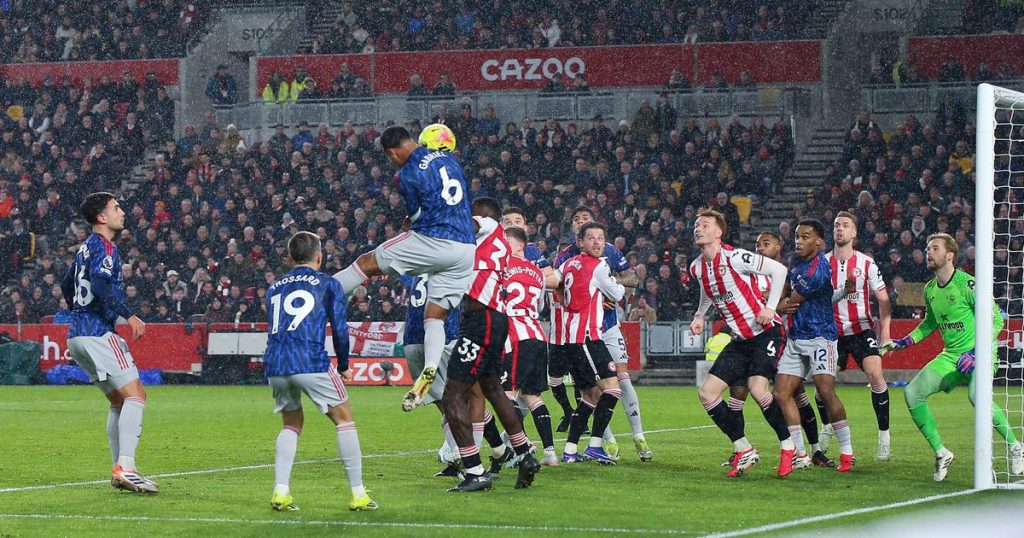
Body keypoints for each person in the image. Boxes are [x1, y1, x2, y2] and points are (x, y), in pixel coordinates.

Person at [332, 126, 475, 411]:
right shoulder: (449, 159)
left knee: (367, 263)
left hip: (435, 240)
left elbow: (417, 217)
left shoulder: (406, 174)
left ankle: (316, 292)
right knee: (435, 317)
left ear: (392, 152)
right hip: (465, 249)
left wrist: (409, 222)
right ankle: (431, 367)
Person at [882, 234, 1024, 481]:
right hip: (952, 356)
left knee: (976, 396)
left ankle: (1015, 446)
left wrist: (976, 352)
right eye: (927, 248)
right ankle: (942, 453)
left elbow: (996, 320)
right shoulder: (929, 289)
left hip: (981, 352)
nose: (929, 252)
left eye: (934, 248)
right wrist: (903, 342)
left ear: (949, 255)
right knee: (912, 392)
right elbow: (929, 324)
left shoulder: (967, 284)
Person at [264, 231, 377, 512]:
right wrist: (344, 365)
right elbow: (339, 328)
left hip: (276, 362)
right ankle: (358, 493)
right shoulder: (327, 283)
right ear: (319, 255)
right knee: (344, 419)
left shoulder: (274, 287)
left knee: (291, 424)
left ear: (290, 258)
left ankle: (280, 490)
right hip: (310, 359)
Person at [441, 197, 541, 492]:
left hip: (480, 320)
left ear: (484, 214)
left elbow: (462, 225)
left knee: (452, 395)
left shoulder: (486, 224)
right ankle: (525, 454)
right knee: (493, 389)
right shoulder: (496, 245)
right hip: (496, 319)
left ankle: (474, 471)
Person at [60, 192, 155, 493]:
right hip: (98, 333)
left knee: (118, 401)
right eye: (116, 208)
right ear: (102, 217)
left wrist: (79, 312)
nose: (122, 212)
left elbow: (66, 283)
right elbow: (100, 284)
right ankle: (126, 466)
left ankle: (119, 469)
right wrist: (129, 315)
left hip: (77, 334)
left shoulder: (85, 247)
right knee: (136, 395)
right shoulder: (104, 246)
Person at [689, 208, 793, 478]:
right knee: (707, 393)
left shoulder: (735, 257)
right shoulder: (697, 267)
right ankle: (744, 448)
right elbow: (707, 291)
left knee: (757, 389)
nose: (698, 228)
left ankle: (788, 446)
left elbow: (779, 270)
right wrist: (700, 315)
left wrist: (770, 307)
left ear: (719, 232)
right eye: (697, 225)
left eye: (705, 225)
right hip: (740, 340)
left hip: (767, 332)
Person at [722, 232, 831, 469]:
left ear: (779, 246)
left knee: (795, 395)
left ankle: (814, 450)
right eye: (757, 244)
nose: (760, 248)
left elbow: (791, 302)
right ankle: (739, 449)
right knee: (737, 395)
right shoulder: (747, 273)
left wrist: (776, 306)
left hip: (778, 340)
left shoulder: (785, 273)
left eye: (766, 244)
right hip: (749, 341)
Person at [551, 206, 649, 461]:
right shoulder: (571, 258)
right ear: (579, 238)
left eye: (586, 219)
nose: (581, 222)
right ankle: (602, 442)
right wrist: (602, 289)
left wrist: (596, 290)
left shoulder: (600, 255)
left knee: (599, 391)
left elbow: (632, 279)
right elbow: (560, 291)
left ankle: (633, 437)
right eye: (577, 219)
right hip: (586, 335)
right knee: (609, 389)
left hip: (602, 327)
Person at [774, 219, 854, 476]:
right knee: (781, 393)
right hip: (797, 337)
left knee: (825, 392)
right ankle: (800, 454)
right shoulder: (795, 261)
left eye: (805, 237)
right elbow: (785, 290)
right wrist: (781, 299)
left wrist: (776, 305)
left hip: (820, 337)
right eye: (797, 236)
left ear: (819, 241)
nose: (799, 241)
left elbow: (790, 302)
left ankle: (847, 452)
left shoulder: (818, 269)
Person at [823, 211, 893, 461]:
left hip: (862, 330)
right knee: (823, 387)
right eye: (836, 225)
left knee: (875, 374)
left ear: (854, 233)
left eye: (845, 225)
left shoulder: (866, 263)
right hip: (832, 333)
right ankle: (826, 429)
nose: (839, 229)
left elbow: (884, 300)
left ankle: (884, 437)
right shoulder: (823, 263)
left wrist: (885, 334)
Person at [501, 226, 559, 466]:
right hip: (537, 335)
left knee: (507, 394)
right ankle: (551, 453)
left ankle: (522, 449)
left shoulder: (501, 268)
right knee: (533, 396)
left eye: (505, 242)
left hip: (514, 337)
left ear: (517, 245)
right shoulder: (537, 272)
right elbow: (539, 307)